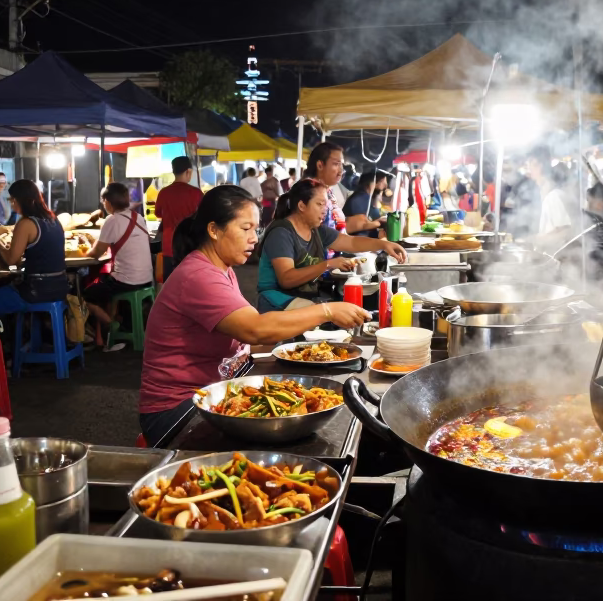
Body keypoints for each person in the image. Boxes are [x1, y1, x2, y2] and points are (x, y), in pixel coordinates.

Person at [140, 185, 370, 445]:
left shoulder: (221, 269)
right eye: (245, 228)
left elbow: (247, 338)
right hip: (177, 411)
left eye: (256, 229)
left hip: (214, 391)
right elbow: (255, 328)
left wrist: (302, 345)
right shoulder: (198, 275)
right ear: (214, 230)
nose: (254, 238)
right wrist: (326, 311)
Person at [257, 179, 408, 312]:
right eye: (320, 204)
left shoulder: (317, 230)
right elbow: (286, 278)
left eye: (326, 205)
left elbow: (351, 242)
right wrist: (327, 264)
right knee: (329, 314)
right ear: (302, 206)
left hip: (303, 297)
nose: (325, 210)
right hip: (276, 301)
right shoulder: (281, 234)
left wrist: (384, 244)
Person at [83, 183, 153, 349]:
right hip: (146, 279)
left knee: (85, 295)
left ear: (107, 201)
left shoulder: (112, 220)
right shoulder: (138, 217)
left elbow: (96, 253)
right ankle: (118, 327)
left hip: (126, 281)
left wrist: (83, 253)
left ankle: (112, 324)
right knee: (105, 283)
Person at [0, 180, 69, 311]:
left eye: (12, 200)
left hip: (35, 291)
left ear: (21, 200)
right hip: (60, 288)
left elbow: (11, 260)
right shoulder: (53, 219)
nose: (12, 205)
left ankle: (2, 331)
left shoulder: (26, 223)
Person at [155, 156, 204, 281]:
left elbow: (158, 213)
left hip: (169, 245)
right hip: (190, 245)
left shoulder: (163, 193)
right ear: (188, 171)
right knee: (190, 283)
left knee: (170, 283)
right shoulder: (196, 193)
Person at [525, 146, 572, 250]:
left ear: (540, 166)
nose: (528, 169)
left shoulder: (553, 197)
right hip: (549, 255)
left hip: (556, 256)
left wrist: (538, 240)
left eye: (530, 164)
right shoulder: (549, 195)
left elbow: (565, 231)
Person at [304, 142, 347, 232]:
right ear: (320, 165)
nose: (341, 171)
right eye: (336, 164)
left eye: (342, 165)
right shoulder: (309, 194)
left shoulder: (327, 191)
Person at [344, 171, 385, 238]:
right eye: (383, 182)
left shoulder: (364, 197)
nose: (384, 185)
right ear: (372, 183)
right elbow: (362, 227)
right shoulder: (360, 199)